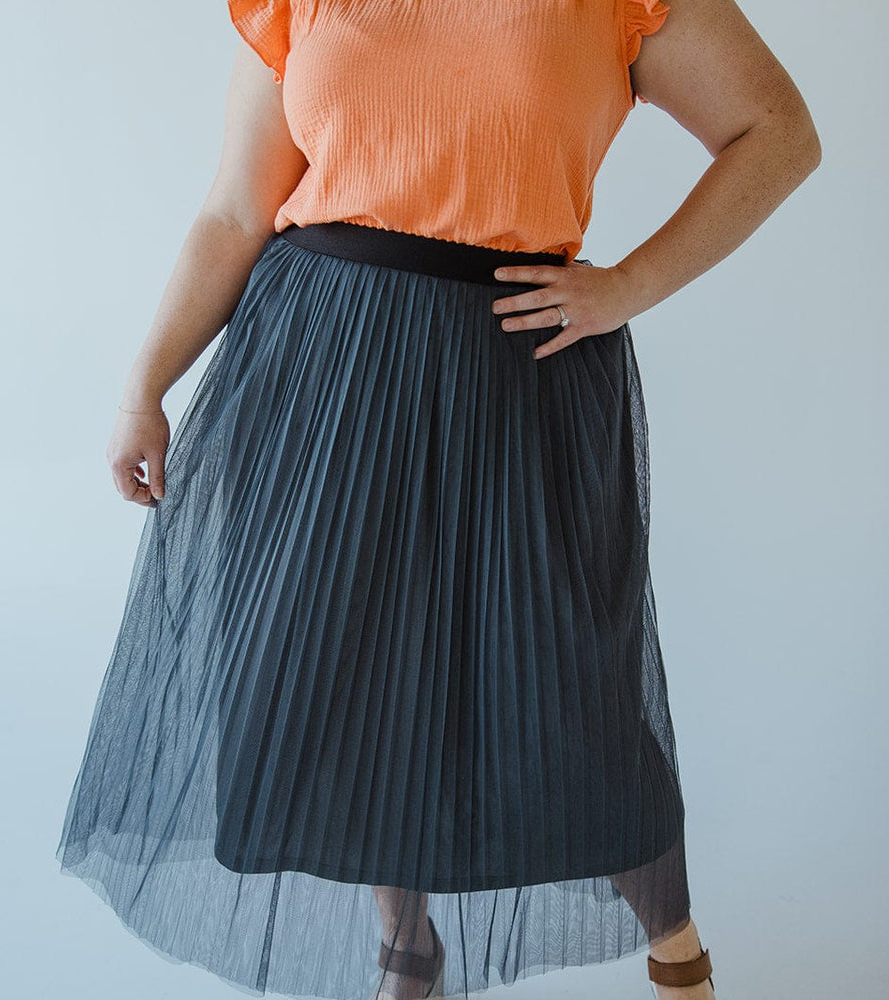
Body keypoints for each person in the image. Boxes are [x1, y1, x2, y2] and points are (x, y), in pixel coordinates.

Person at [55, 2, 821, 999]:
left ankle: (675, 947)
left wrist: (629, 282)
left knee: (566, 689)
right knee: (348, 675)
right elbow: (238, 209)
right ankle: (405, 952)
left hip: (512, 371)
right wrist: (142, 386)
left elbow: (776, 132)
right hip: (317, 368)